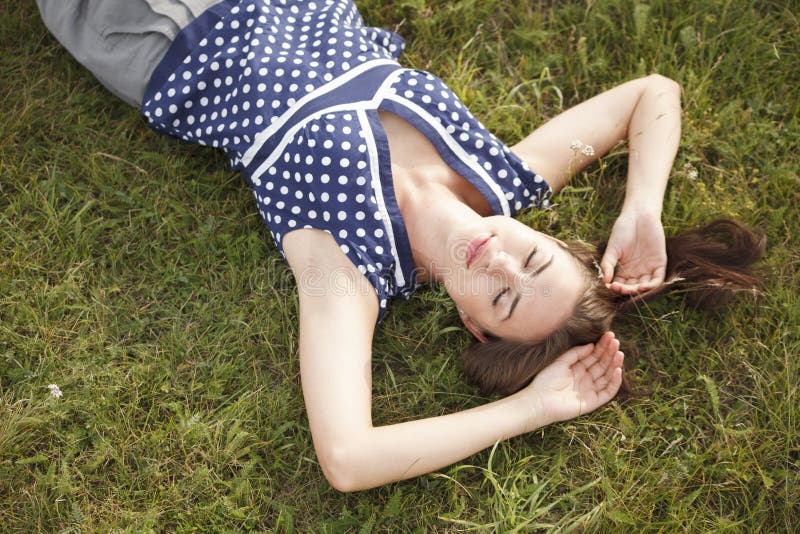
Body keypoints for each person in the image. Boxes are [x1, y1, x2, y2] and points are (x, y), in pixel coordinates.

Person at [36, 0, 764, 492]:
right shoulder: (505, 175)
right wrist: (642, 209)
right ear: (544, 233)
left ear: (474, 323)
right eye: (533, 258)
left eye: (503, 297)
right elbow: (652, 93)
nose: (499, 260)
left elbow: (348, 459)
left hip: (160, 28)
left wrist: (533, 409)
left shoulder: (349, 270)